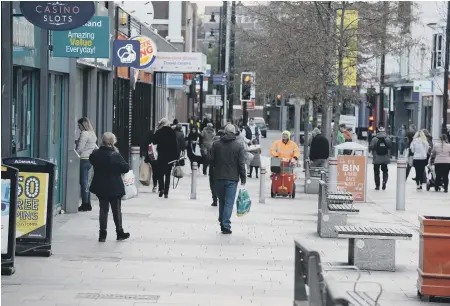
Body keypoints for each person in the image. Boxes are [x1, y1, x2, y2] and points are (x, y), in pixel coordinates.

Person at [89, 132, 130, 242]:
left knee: (103, 210)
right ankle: (119, 232)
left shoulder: (95, 154)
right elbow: (126, 168)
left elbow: (91, 160)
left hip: (101, 186)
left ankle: (102, 234)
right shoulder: (115, 155)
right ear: (112, 142)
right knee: (116, 210)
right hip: (115, 186)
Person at [209, 124, 246, 234]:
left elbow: (211, 160)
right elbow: (241, 164)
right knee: (229, 202)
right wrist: (243, 177)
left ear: (225, 132)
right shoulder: (239, 146)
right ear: (234, 132)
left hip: (219, 177)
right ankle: (225, 224)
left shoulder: (216, 144)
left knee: (221, 201)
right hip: (232, 178)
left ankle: (222, 220)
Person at [153, 118, 179, 198]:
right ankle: (166, 192)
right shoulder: (172, 132)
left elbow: (154, 142)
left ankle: (161, 189)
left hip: (161, 156)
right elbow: (175, 146)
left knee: (160, 174)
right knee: (168, 174)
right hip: (170, 157)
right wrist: (176, 157)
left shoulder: (159, 132)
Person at [75, 117, 97, 212]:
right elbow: (93, 146)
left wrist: (75, 154)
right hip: (90, 160)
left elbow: (80, 148)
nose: (79, 127)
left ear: (82, 125)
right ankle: (88, 203)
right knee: (86, 182)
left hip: (83, 159)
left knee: (83, 182)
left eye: (79, 125)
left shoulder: (84, 133)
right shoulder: (92, 133)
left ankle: (85, 204)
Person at [209, 129, 224, 207]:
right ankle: (220, 198)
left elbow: (210, 157)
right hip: (222, 168)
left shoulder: (213, 143)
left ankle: (214, 200)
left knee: (213, 184)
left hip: (213, 168)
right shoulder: (225, 144)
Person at [144, 128, 159, 192]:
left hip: (153, 158)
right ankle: (157, 185)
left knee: (155, 172)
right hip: (156, 158)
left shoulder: (150, 141)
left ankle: (155, 185)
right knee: (157, 172)